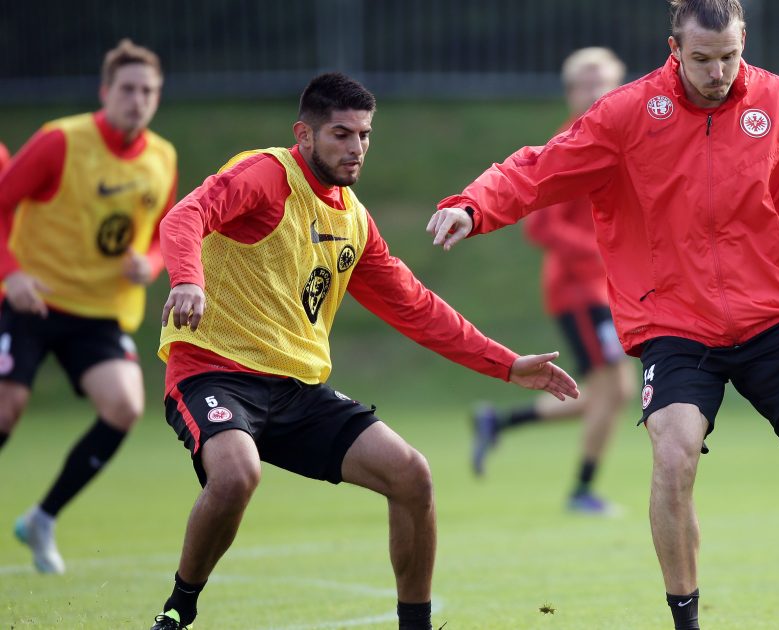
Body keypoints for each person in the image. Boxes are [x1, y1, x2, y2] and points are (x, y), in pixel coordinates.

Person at [426, 1, 779, 627]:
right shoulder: (628, 113)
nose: (719, 71)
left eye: (730, 56)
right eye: (703, 59)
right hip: (674, 325)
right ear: (674, 47)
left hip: (772, 315)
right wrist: (474, 205)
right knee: (673, 455)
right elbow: (542, 166)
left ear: (744, 42)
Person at [148, 73, 576, 630]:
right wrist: (188, 280)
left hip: (297, 389)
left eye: (365, 135)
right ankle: (179, 610)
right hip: (214, 372)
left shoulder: (351, 218)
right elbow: (184, 216)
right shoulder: (266, 174)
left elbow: (415, 307)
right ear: (304, 134)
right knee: (235, 476)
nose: (356, 149)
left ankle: (415, 624)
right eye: (341, 134)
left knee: (412, 476)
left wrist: (506, 364)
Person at [0, 39, 176, 575]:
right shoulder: (60, 141)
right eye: (127, 88)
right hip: (32, 301)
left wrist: (150, 262)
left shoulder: (161, 157)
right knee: (7, 407)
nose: (137, 99)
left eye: (148, 90)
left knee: (124, 406)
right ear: (105, 92)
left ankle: (43, 519)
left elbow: (168, 233)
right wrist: (11, 276)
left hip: (99, 313)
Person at [470, 47, 634, 515]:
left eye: (604, 80)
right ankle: (581, 491)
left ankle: (499, 424)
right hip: (577, 288)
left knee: (606, 394)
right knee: (613, 391)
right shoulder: (569, 141)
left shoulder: (610, 138)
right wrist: (602, 251)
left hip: (601, 287)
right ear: (570, 91)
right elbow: (540, 226)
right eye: (586, 82)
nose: (596, 89)